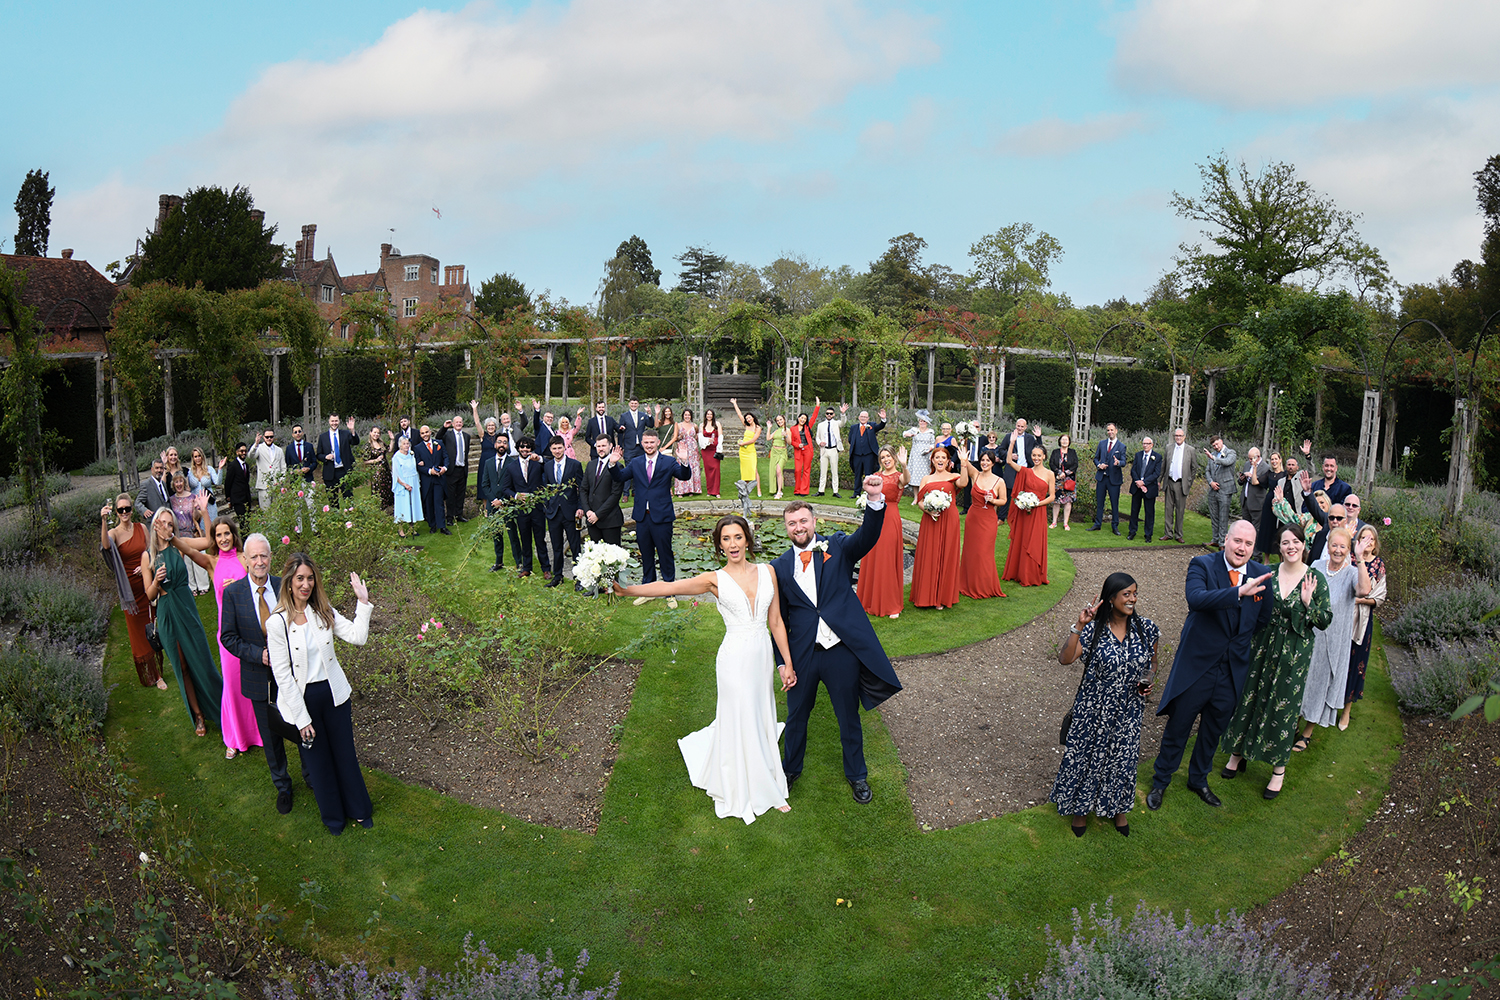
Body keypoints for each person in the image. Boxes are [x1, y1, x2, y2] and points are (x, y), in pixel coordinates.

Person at [614, 516, 797, 823]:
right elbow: (669, 586)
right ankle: (755, 788)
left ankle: (767, 777)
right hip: (734, 659)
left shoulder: (769, 572)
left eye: (738, 537)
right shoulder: (714, 579)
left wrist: (786, 663)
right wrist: (629, 591)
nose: (733, 544)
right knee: (739, 713)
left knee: (760, 711)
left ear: (748, 540)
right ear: (719, 545)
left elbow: (776, 621)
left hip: (762, 655)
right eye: (726, 539)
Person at [774, 482, 903, 804]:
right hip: (802, 657)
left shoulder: (839, 547)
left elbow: (868, 536)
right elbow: (779, 622)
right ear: (786, 528)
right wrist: (782, 662)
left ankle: (857, 775)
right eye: (792, 523)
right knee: (796, 717)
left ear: (814, 522)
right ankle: (790, 770)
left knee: (848, 717)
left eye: (803, 521)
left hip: (840, 653)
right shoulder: (778, 567)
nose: (799, 527)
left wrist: (875, 499)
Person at [1146, 519, 1274, 811]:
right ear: (1226, 539)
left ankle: (1198, 779)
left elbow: (1262, 619)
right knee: (1178, 728)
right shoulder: (1202, 565)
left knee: (1212, 731)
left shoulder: (1261, 575)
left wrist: (1238, 644)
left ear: (1254, 547)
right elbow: (1196, 599)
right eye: (1237, 541)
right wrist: (1236, 593)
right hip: (1198, 667)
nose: (1242, 548)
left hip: (1231, 672)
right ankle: (1161, 781)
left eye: (1248, 543)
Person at [1219, 523, 1332, 799]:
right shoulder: (1266, 574)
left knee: (1283, 706)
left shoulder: (1314, 578)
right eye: (1285, 542)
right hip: (1262, 647)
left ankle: (1277, 770)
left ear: (1303, 545)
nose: (1290, 546)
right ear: (1278, 547)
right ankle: (1237, 753)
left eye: (1295, 541)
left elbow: (1325, 620)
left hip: (1294, 653)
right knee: (1250, 696)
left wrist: (1308, 603)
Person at [266, 554, 375, 836]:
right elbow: (283, 675)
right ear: (289, 582)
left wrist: (362, 603)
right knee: (319, 762)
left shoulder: (322, 610)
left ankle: (359, 810)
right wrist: (302, 720)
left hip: (335, 696)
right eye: (300, 578)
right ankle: (334, 819)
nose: (306, 584)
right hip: (303, 702)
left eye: (310, 578)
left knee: (345, 755)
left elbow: (357, 637)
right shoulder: (277, 624)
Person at [1052, 573, 1159, 836]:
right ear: (1111, 598)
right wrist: (1078, 625)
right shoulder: (1093, 630)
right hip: (1093, 708)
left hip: (1129, 709)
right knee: (1086, 758)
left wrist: (1149, 679)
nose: (1133, 598)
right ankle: (1079, 811)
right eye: (1126, 594)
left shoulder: (1146, 629)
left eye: (1135, 593)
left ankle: (1118, 809)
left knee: (1122, 759)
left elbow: (1153, 662)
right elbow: (1065, 659)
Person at [219, 533, 308, 815]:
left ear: (271, 558)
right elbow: (228, 637)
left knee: (301, 725)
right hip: (258, 678)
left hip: (292, 675)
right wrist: (259, 655)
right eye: (254, 557)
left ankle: (312, 776)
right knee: (271, 737)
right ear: (245, 559)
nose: (259, 562)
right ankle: (283, 787)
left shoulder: (284, 587)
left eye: (264, 556)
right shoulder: (233, 594)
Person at [172, 505, 262, 760]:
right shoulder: (211, 562)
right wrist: (171, 537)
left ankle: (259, 732)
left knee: (255, 681)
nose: (223, 539)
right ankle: (234, 737)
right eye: (219, 535)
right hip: (228, 636)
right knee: (233, 686)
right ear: (215, 539)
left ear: (234, 535)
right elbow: (188, 549)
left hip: (250, 631)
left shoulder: (246, 558)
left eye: (227, 534)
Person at [141, 508, 224, 738]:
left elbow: (208, 541)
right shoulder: (148, 555)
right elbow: (148, 595)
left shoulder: (179, 545)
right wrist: (156, 582)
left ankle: (223, 706)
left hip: (186, 608)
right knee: (182, 665)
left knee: (202, 659)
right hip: (167, 612)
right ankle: (198, 715)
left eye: (170, 523)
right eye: (163, 523)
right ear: (155, 524)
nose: (166, 527)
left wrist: (205, 512)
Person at [1296, 527, 1372, 749]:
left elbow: (1364, 591)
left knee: (1320, 682)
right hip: (1310, 634)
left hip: (1333, 640)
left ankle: (1307, 732)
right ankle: (1293, 722)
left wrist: (1359, 558)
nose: (1337, 550)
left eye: (1343, 547)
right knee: (1303, 679)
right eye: (1334, 545)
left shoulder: (1351, 573)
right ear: (1327, 546)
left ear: (1349, 550)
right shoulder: (1317, 566)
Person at [608, 428, 693, 604]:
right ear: (642, 443)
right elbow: (620, 477)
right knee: (646, 555)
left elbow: (684, 476)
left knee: (665, 555)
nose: (648, 445)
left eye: (651, 442)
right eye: (646, 442)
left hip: (662, 517)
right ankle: (648, 590)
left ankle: (670, 592)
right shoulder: (636, 462)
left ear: (658, 442)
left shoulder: (668, 462)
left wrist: (684, 461)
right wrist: (613, 464)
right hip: (642, 517)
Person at [99, 493, 167, 690]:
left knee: (154, 627)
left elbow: (151, 550)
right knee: (139, 635)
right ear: (117, 512)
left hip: (147, 586)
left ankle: (162, 668)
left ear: (131, 509)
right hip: (130, 592)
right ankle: (154, 675)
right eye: (120, 510)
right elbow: (105, 546)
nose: (124, 513)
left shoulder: (141, 528)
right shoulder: (114, 533)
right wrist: (103, 521)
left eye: (127, 509)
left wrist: (144, 563)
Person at [910, 444, 966, 609]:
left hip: (949, 519)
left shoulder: (954, 476)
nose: (940, 460)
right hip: (930, 519)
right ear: (932, 460)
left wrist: (963, 463)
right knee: (929, 553)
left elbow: (964, 482)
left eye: (943, 458)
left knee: (946, 554)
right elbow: (920, 500)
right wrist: (928, 511)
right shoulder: (926, 479)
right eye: (937, 458)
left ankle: (941, 596)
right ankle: (926, 595)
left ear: (948, 461)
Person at [1342, 525, 1385, 731]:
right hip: (1342, 619)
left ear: (1375, 544)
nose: (1367, 542)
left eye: (1371, 540)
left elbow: (1379, 597)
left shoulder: (1378, 565)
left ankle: (1347, 710)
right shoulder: (1348, 560)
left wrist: (1360, 601)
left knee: (1356, 663)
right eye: (1363, 538)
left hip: (1362, 622)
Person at [857, 445, 908, 618]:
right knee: (872, 554)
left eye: (888, 456)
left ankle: (890, 603)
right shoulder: (876, 476)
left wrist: (904, 465)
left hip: (891, 517)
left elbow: (906, 481)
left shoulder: (899, 476)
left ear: (894, 457)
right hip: (874, 518)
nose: (886, 459)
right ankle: (869, 599)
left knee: (887, 557)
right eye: (883, 457)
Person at [1002, 444, 1055, 587]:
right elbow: (1009, 461)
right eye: (1034, 455)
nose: (1036, 458)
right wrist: (1012, 442)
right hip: (1024, 513)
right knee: (1023, 540)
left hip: (1038, 512)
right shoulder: (1026, 471)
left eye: (1039, 455)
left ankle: (1032, 574)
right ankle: (1019, 573)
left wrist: (1037, 504)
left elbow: (1052, 497)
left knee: (1035, 542)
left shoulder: (1050, 474)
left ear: (1044, 456)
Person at [958, 450, 1007, 600]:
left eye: (988, 460)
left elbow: (1004, 501)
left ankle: (984, 586)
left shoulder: (999, 481)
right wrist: (962, 458)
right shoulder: (976, 475)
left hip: (988, 519)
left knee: (984, 552)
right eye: (982, 460)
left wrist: (993, 500)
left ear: (993, 462)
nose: (985, 463)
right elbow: (965, 464)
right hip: (973, 517)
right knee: (971, 551)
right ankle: (968, 583)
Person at [503, 437, 549, 578]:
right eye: (522, 447)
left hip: (537, 508)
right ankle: (526, 567)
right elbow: (505, 488)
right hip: (522, 509)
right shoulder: (511, 467)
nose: (525, 449)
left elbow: (551, 463)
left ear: (531, 448)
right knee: (525, 538)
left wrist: (540, 459)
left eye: (528, 447)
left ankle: (546, 568)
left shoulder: (537, 464)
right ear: (518, 448)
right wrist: (516, 496)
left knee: (540, 539)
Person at [541, 436, 583, 588]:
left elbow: (581, 489)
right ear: (550, 450)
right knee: (557, 546)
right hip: (553, 513)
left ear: (564, 448)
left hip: (571, 512)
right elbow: (546, 488)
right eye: (554, 448)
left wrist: (580, 507)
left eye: (559, 448)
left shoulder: (575, 465)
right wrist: (547, 506)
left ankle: (580, 577)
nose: (557, 451)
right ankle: (557, 576)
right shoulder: (547, 466)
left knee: (575, 545)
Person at [168, 473, 212, 595]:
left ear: (184, 482)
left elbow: (198, 516)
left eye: (180, 481)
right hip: (180, 534)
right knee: (186, 562)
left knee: (197, 558)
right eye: (176, 482)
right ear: (173, 484)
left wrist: (198, 510)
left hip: (193, 532)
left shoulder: (192, 497)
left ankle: (203, 585)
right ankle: (192, 587)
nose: (179, 484)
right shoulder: (171, 500)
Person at [581, 435, 624, 546]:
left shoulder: (618, 467)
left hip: (610, 521)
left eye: (603, 446)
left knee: (613, 559)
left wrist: (598, 515)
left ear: (610, 446)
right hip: (592, 521)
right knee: (595, 558)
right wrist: (588, 511)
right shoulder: (590, 465)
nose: (600, 448)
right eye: (598, 446)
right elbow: (583, 490)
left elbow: (615, 495)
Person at [997, 418, 1039, 523]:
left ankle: (1021, 518)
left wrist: (1039, 437)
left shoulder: (1030, 438)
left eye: (1022, 426)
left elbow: (1039, 449)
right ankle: (1001, 518)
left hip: (1026, 469)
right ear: (1016, 426)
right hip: (1011, 469)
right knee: (1008, 492)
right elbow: (1001, 450)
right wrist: (1010, 455)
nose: (1019, 428)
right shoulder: (1008, 437)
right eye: (1018, 426)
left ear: (1025, 427)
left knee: (1024, 493)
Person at [1089, 423, 1128, 533]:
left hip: (1114, 479)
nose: (1110, 432)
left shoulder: (1121, 446)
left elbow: (1124, 461)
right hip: (1102, 478)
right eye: (1108, 430)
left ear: (1116, 431)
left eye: (1112, 430)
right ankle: (1097, 524)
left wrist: (1118, 462)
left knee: (1114, 503)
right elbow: (1096, 458)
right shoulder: (1102, 444)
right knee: (1100, 502)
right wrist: (1098, 465)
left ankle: (1115, 526)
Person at [413, 425, 448, 536]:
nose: (425, 435)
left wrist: (444, 468)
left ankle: (442, 526)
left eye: (426, 432)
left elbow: (446, 457)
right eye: (422, 433)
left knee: (439, 503)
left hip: (438, 479)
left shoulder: (439, 443)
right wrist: (429, 471)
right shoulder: (417, 448)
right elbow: (418, 465)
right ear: (420, 435)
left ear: (430, 432)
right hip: (427, 480)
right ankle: (432, 525)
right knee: (429, 504)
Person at [1161, 427, 1195, 543]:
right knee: (1168, 509)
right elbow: (1164, 464)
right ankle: (1168, 533)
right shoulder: (1169, 448)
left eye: (1180, 436)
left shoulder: (1190, 450)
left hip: (1182, 483)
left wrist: (1189, 482)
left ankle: (1178, 534)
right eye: (1176, 436)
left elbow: (1194, 468)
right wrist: (1160, 480)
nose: (1178, 438)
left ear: (1184, 437)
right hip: (1169, 481)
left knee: (1180, 510)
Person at [1203, 436, 1238, 548]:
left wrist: (1213, 458)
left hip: (1225, 489)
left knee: (1223, 516)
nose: (1216, 447)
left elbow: (1227, 462)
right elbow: (1207, 470)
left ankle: (1223, 542)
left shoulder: (1231, 452)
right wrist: (1211, 482)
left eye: (1217, 444)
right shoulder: (1212, 454)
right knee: (1214, 516)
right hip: (1213, 489)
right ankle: (1215, 539)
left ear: (1221, 442)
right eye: (1213, 446)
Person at [1125, 436, 1161, 543]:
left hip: (1149, 489)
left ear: (1152, 445)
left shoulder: (1157, 457)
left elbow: (1156, 473)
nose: (1145, 445)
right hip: (1137, 487)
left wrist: (1144, 482)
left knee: (1149, 512)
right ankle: (1132, 532)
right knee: (1134, 510)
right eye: (1144, 443)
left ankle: (1148, 534)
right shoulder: (1138, 455)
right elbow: (1133, 470)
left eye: (1147, 443)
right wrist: (1139, 482)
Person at [317, 414, 357, 499]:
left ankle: (349, 512)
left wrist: (352, 430)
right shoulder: (323, 437)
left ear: (339, 421)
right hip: (330, 472)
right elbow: (319, 455)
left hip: (344, 470)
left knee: (348, 498)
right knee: (333, 500)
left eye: (336, 421)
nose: (334, 423)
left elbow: (355, 442)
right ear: (329, 422)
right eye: (332, 421)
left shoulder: (345, 434)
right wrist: (325, 457)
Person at [441, 414, 472, 523]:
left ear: (462, 424)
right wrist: (444, 427)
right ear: (453, 424)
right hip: (451, 470)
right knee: (450, 495)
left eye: (460, 422)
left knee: (461, 494)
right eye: (456, 422)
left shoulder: (467, 436)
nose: (458, 424)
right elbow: (438, 438)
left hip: (462, 469)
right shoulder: (447, 435)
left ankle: (459, 515)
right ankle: (449, 517)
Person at [391, 435, 422, 538]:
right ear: (400, 445)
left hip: (413, 481)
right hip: (402, 484)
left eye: (408, 443)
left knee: (412, 504)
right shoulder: (396, 457)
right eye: (404, 444)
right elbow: (396, 474)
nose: (406, 445)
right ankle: (400, 530)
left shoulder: (411, 454)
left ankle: (411, 528)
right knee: (402, 506)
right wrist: (404, 484)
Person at [731, 399, 762, 496]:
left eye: (749, 417)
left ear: (753, 417)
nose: (748, 419)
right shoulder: (746, 425)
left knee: (754, 469)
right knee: (745, 471)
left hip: (750, 451)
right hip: (743, 452)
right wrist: (735, 404)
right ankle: (746, 490)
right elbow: (739, 414)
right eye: (747, 418)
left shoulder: (757, 428)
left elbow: (753, 440)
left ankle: (758, 490)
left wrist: (743, 443)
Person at [847, 409, 887, 483]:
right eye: (862, 416)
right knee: (857, 474)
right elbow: (850, 440)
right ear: (859, 417)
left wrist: (883, 419)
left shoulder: (872, 426)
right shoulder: (853, 427)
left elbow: (880, 426)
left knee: (869, 475)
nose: (863, 418)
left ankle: (869, 492)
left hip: (868, 455)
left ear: (868, 418)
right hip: (857, 455)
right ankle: (856, 493)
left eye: (865, 417)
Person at [814, 402, 846, 497]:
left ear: (834, 414)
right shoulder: (821, 425)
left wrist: (843, 413)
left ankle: (835, 491)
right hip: (824, 450)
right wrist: (820, 443)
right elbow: (817, 437)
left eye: (831, 413)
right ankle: (821, 490)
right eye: (827, 413)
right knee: (823, 471)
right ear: (825, 414)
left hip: (833, 449)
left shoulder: (836, 423)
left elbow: (843, 423)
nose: (829, 415)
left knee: (834, 471)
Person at [1048, 434, 1079, 531]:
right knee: (1056, 502)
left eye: (1066, 440)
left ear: (1069, 441)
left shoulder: (1073, 452)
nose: (1064, 441)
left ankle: (1066, 523)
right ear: (1060, 441)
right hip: (1057, 480)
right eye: (1063, 440)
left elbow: (1075, 464)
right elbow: (1051, 463)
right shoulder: (1055, 452)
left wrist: (1065, 473)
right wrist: (1059, 472)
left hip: (1069, 481)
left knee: (1068, 502)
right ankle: (1054, 522)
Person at [1239, 446, 1271, 539]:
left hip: (1257, 502)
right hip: (1245, 501)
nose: (1249, 460)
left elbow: (1261, 483)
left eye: (1251, 458)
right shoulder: (1247, 464)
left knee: (1256, 529)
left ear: (1257, 457)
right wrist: (1242, 478)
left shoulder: (1265, 468)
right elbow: (1241, 483)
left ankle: (1256, 552)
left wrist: (1251, 476)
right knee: (1245, 527)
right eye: (1248, 458)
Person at [186, 447, 225, 523]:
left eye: (199, 456)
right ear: (193, 458)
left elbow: (217, 482)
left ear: (202, 456)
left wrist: (220, 469)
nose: (198, 458)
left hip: (209, 503)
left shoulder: (209, 469)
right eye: (195, 456)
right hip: (196, 504)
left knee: (212, 524)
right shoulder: (189, 472)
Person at [251, 428, 286, 511]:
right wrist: (256, 444)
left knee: (277, 512)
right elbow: (251, 456)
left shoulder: (279, 450)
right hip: (264, 486)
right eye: (267, 437)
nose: (269, 439)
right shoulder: (258, 448)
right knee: (266, 512)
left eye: (271, 436)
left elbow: (283, 467)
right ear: (263, 437)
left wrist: (281, 480)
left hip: (276, 486)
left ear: (273, 437)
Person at [671, 406, 701, 496]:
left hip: (693, 450)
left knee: (693, 468)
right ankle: (680, 491)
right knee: (682, 467)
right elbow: (675, 438)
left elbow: (696, 437)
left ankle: (691, 490)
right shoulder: (679, 425)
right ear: (683, 416)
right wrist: (681, 436)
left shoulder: (694, 425)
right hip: (683, 449)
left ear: (691, 416)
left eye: (689, 415)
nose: (687, 416)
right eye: (685, 415)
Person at [901, 411, 934, 494]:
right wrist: (909, 435)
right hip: (916, 456)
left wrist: (930, 449)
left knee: (925, 475)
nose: (922, 423)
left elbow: (933, 443)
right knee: (915, 476)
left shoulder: (930, 432)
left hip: (925, 456)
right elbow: (904, 434)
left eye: (924, 421)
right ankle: (916, 497)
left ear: (926, 422)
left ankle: (923, 496)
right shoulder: (914, 430)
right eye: (920, 421)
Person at [791, 406, 819, 496]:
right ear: (798, 418)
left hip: (808, 450)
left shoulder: (807, 427)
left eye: (805, 419)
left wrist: (817, 405)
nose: (803, 420)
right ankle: (797, 490)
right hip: (798, 450)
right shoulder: (793, 428)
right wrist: (797, 445)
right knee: (798, 470)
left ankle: (804, 491)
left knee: (806, 470)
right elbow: (791, 441)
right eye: (802, 418)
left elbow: (814, 417)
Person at [222, 444, 252, 520]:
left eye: (245, 451)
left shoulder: (246, 465)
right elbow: (228, 482)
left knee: (247, 521)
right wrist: (228, 498)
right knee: (242, 521)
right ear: (237, 452)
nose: (244, 453)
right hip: (237, 499)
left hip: (246, 498)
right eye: (242, 451)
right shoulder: (233, 465)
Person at [364, 426, 391, 511]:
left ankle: (389, 509)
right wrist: (375, 460)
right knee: (379, 490)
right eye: (374, 432)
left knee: (388, 488)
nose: (376, 434)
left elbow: (389, 450)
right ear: (370, 433)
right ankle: (380, 509)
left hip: (386, 470)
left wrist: (392, 439)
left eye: (378, 433)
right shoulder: (368, 446)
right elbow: (364, 461)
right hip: (376, 472)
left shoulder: (381, 443)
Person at [700, 408, 723, 497]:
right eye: (707, 414)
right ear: (705, 415)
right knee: (708, 470)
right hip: (706, 451)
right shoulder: (702, 425)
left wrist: (719, 448)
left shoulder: (717, 424)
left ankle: (716, 491)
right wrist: (706, 440)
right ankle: (710, 491)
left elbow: (720, 436)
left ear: (713, 415)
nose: (709, 416)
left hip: (715, 450)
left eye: (711, 414)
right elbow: (700, 437)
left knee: (716, 469)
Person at [767, 414, 789, 499]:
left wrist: (786, 436)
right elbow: (768, 438)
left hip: (782, 452)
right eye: (778, 420)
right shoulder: (776, 430)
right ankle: (775, 489)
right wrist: (769, 428)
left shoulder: (787, 430)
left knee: (779, 470)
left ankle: (779, 491)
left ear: (784, 419)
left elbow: (790, 442)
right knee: (774, 471)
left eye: (781, 419)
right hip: (774, 452)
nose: (779, 421)